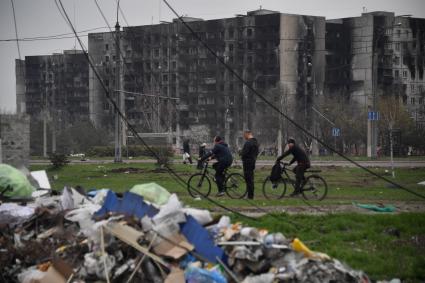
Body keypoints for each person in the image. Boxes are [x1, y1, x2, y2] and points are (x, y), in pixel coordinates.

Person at [240, 130, 259, 199]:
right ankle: (250, 194)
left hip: (247, 163)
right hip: (252, 162)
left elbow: (244, 153)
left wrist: (241, 154)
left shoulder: (248, 143)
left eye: (244, 135)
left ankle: (250, 196)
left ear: (248, 134)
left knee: (248, 179)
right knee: (251, 179)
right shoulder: (255, 142)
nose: (244, 137)